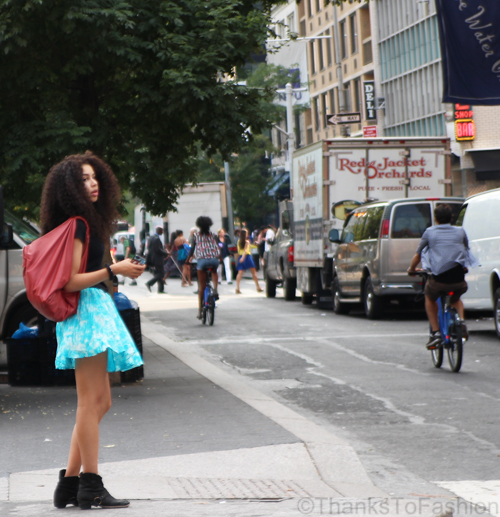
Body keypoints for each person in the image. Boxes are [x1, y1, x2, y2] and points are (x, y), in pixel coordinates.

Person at [40, 152, 145, 510]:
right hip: (84, 312)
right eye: (83, 179)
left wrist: (114, 273)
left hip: (93, 311)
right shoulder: (79, 224)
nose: (93, 183)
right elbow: (69, 281)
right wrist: (114, 271)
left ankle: (71, 483)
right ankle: (91, 486)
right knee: (90, 402)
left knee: (101, 401)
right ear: (71, 188)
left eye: (94, 176)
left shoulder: (87, 221)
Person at [407, 204, 477, 350]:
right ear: (451, 218)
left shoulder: (430, 232)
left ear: (436, 218)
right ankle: (462, 322)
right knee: (456, 299)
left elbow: (418, 254)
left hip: (439, 280)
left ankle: (436, 333)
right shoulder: (460, 231)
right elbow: (465, 251)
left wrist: (412, 269)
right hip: (458, 280)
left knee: (430, 297)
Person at [187, 216, 221, 319]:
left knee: (201, 287)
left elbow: (192, 249)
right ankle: (215, 289)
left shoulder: (196, 236)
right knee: (214, 271)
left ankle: (200, 311)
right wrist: (221, 258)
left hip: (202, 260)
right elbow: (218, 248)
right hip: (214, 259)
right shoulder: (214, 235)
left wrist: (187, 260)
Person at [235, 229, 263, 294]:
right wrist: (243, 257)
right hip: (247, 257)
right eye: (247, 233)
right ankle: (258, 287)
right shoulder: (247, 241)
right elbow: (246, 250)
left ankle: (237, 288)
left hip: (241, 256)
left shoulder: (239, 241)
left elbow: (239, 251)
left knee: (240, 273)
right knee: (254, 273)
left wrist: (240, 258)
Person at [145, 226, 168, 293]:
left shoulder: (151, 237)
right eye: (162, 231)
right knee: (161, 273)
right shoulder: (156, 239)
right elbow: (157, 250)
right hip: (157, 259)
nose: (162, 232)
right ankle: (149, 283)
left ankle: (160, 289)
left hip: (152, 258)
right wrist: (166, 253)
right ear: (160, 231)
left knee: (159, 273)